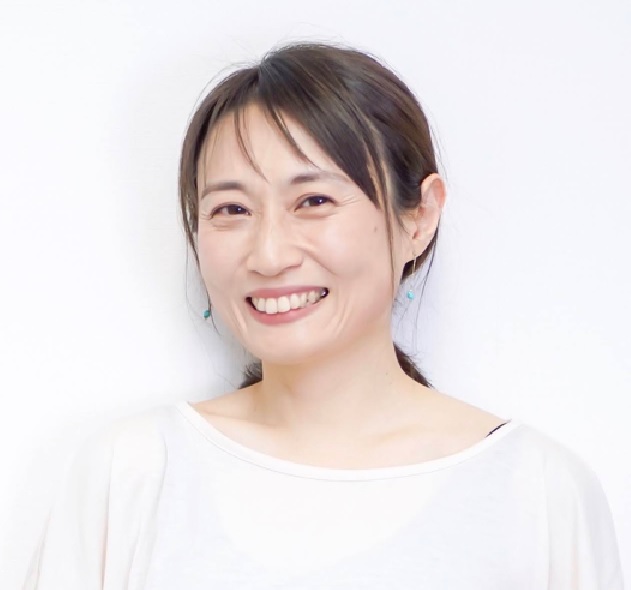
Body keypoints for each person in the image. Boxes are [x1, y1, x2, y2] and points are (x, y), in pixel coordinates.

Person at [24, 42, 624, 589]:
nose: (269, 255)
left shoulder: (538, 492)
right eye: (231, 209)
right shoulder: (130, 473)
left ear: (418, 217)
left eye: (313, 200)